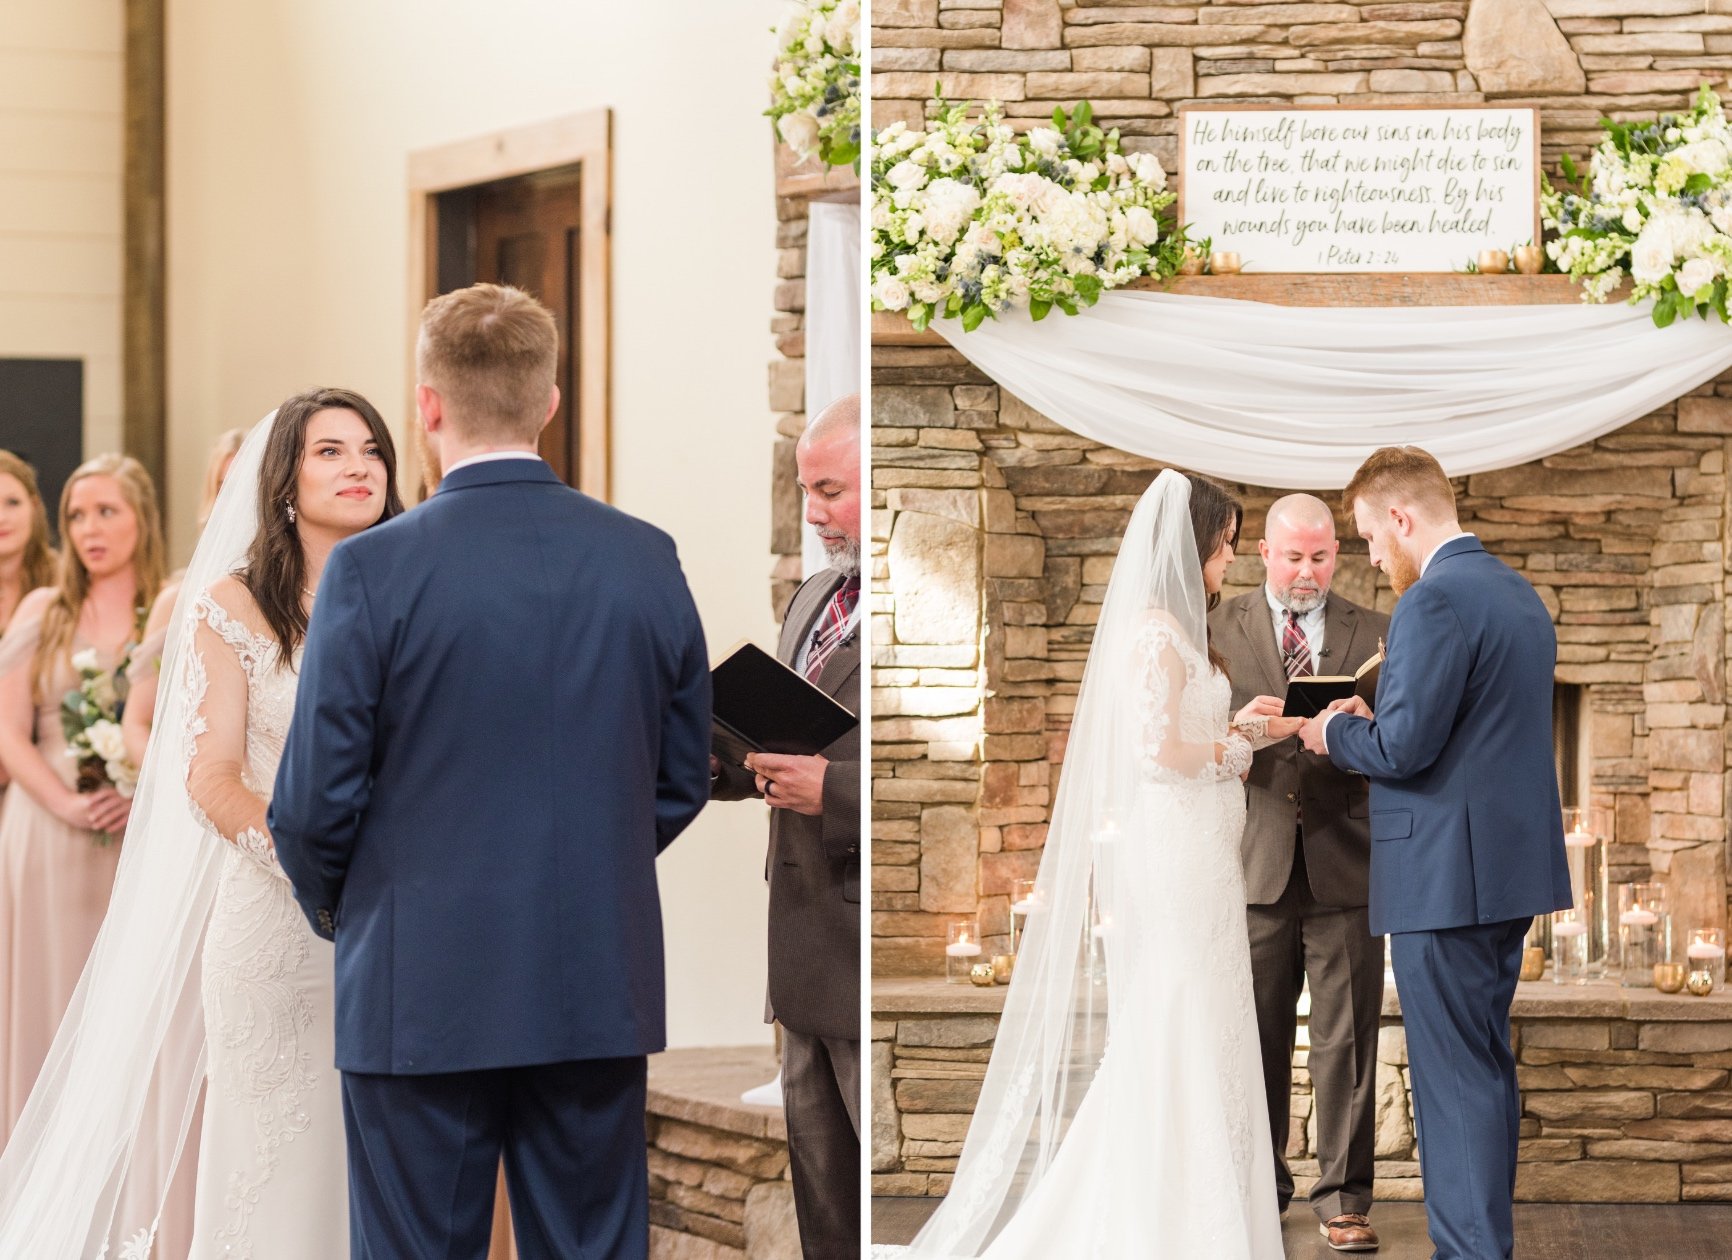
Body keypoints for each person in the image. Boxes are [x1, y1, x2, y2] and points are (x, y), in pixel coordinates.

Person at [270, 282, 712, 1260]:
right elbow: (683, 773)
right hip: (595, 976)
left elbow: (312, 803)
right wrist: (588, 866)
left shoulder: (372, 570)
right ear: (549, 400)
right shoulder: (646, 558)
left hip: (416, 981)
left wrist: (355, 906)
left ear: (426, 405)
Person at [883, 469, 1298, 1259]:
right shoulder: (1153, 635)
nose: (1228, 565)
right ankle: (1168, 1221)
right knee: (1179, 1013)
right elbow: (1158, 754)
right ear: (1191, 548)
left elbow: (1192, 734)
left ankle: (1204, 1209)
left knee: (1205, 1018)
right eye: (1224, 549)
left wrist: (1255, 727)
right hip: (1175, 855)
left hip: (1204, 852)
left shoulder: (1181, 635)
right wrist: (1239, 746)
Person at [1299, 446, 1572, 1260]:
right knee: (1481, 1069)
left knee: (1453, 1079)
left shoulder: (1432, 601)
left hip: (1447, 880)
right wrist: (1374, 712)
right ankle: (1484, 1246)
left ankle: (1472, 1253)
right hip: (1504, 875)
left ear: (1402, 517)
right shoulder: (1516, 593)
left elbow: (1407, 749)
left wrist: (1334, 731)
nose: (1374, 557)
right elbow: (1472, 730)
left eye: (1371, 538)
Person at [1210, 494, 1388, 1253]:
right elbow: (1183, 741)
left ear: (1337, 555)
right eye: (1293, 557)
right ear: (1264, 556)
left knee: (1347, 1044)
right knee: (1254, 1038)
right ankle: (1259, 1187)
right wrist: (1241, 730)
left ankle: (1344, 1199)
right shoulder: (1218, 626)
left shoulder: (1378, 631)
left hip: (1347, 859)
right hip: (1253, 863)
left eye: (1320, 557)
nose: (1307, 571)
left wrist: (1364, 726)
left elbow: (1401, 742)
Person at [713, 393, 861, 1259]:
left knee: (862, 1205)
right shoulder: (810, 597)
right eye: (807, 489)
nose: (813, 511)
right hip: (796, 939)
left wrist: (835, 792)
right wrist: (699, 761)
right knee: (820, 1201)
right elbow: (777, 737)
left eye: (832, 489)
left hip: (858, 929)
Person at [0, 455, 163, 1136]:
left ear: (141, 520)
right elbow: (8, 733)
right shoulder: (46, 609)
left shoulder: (171, 605)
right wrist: (65, 804)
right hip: (45, 827)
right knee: (47, 994)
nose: (89, 529)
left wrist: (142, 794)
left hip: (136, 835)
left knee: (124, 1005)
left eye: (106, 512)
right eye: (75, 515)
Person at [0, 451, 56, 803]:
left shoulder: (67, 586)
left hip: (46, 778)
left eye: (12, 502)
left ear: (34, 506)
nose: (1, 517)